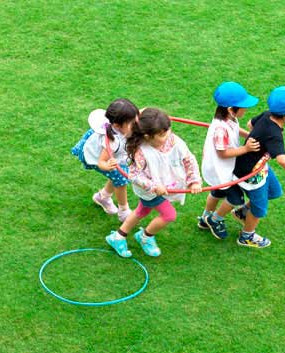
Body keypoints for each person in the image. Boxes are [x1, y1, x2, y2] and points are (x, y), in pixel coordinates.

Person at [105, 108, 202, 257]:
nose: (168, 135)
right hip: (150, 190)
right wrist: (154, 186)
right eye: (162, 134)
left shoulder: (174, 141)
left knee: (142, 211)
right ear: (147, 136)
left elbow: (189, 159)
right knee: (169, 215)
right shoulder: (141, 151)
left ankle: (118, 236)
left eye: (168, 130)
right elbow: (134, 175)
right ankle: (146, 236)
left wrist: (194, 180)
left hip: (164, 186)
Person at [232, 84, 285, 248]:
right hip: (250, 174)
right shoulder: (275, 134)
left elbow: (250, 124)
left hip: (259, 167)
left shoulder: (267, 115)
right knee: (260, 208)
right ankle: (246, 236)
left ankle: (242, 212)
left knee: (274, 191)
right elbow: (283, 160)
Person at [198, 81, 260, 240]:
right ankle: (214, 219)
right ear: (231, 109)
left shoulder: (229, 118)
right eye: (243, 106)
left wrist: (247, 135)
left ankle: (205, 217)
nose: (246, 109)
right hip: (220, 168)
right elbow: (223, 153)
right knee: (235, 198)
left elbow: (235, 129)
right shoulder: (220, 128)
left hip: (219, 168)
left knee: (217, 192)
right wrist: (246, 149)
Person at [70, 98, 138, 222]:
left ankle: (103, 197)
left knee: (118, 174)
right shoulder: (111, 142)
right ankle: (124, 212)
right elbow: (101, 162)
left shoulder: (124, 126)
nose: (136, 124)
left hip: (111, 154)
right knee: (121, 178)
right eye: (132, 122)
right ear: (117, 125)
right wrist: (108, 166)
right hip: (97, 156)